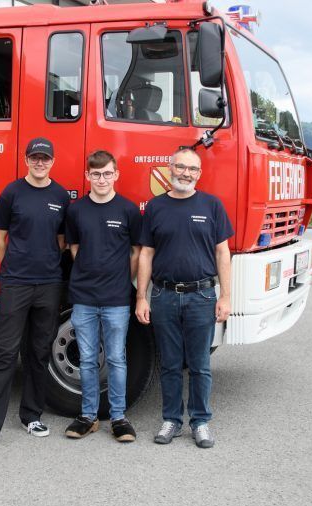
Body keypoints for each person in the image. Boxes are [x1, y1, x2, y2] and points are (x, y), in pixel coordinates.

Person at [0, 137, 69, 454]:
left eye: (45, 158)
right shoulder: (12, 193)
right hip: (16, 283)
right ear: (26, 160)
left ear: (53, 161)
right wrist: (12, 266)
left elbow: (62, 240)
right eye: (34, 158)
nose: (40, 163)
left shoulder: (60, 196)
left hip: (49, 284)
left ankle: (31, 416)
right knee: (4, 354)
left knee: (39, 353)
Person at [135, 148, 233, 449]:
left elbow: (222, 253)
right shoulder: (155, 207)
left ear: (199, 174)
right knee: (170, 364)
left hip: (202, 296)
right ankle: (172, 420)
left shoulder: (212, 205)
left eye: (192, 169)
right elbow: (146, 254)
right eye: (180, 167)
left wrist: (226, 296)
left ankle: (200, 422)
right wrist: (141, 296)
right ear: (170, 169)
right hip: (164, 295)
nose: (185, 173)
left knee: (200, 364)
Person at [63, 150, 142, 442]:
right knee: (86, 359)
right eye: (96, 174)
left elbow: (135, 252)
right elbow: (73, 248)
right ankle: (88, 417)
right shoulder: (76, 210)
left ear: (116, 174)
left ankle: (119, 418)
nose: (102, 179)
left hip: (116, 298)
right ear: (87, 176)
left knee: (117, 359)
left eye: (107, 173)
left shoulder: (128, 210)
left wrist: (122, 279)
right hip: (83, 297)